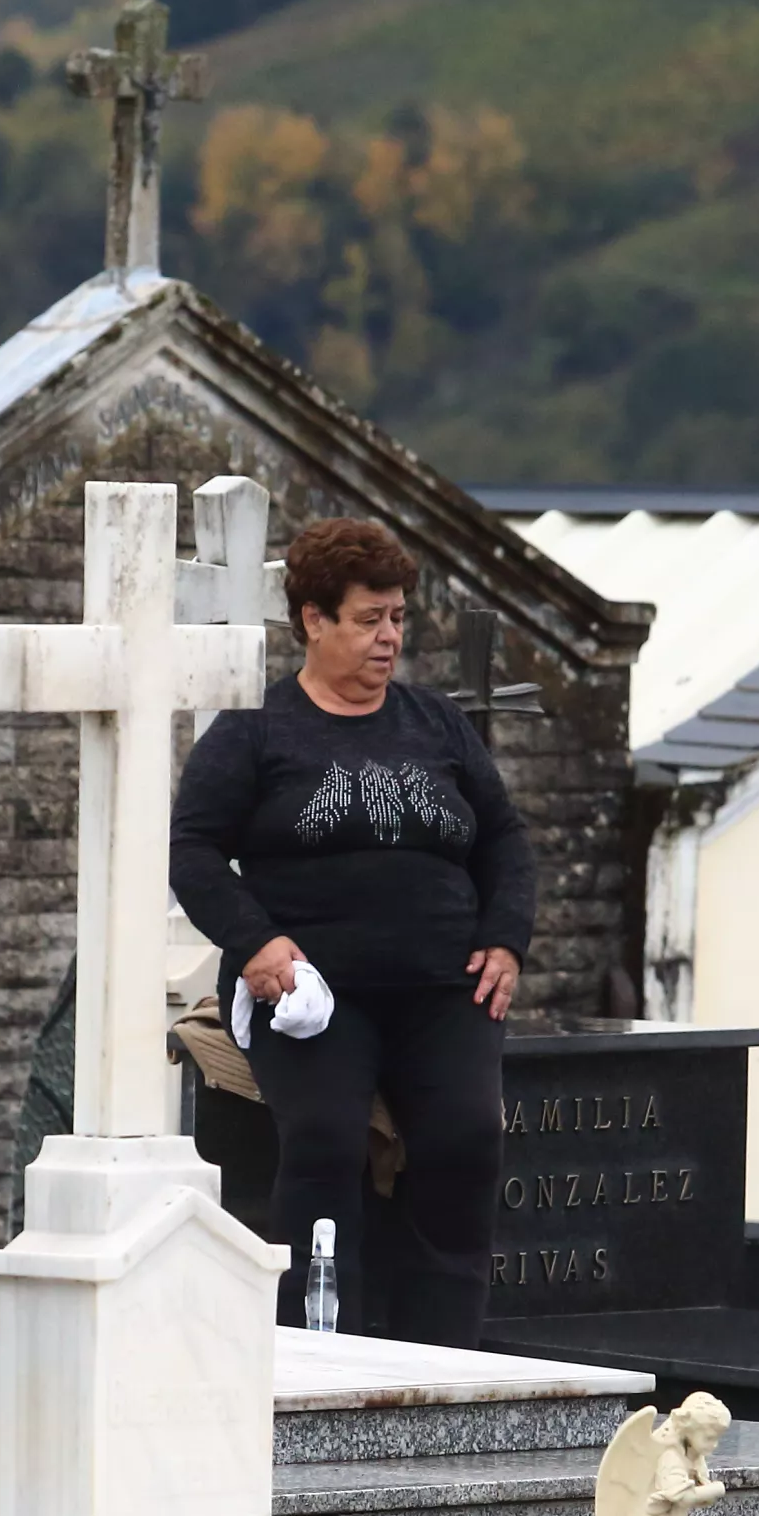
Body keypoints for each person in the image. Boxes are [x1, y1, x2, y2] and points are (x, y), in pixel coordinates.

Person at [169, 517, 532, 1344]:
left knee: (466, 1137)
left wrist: (507, 937)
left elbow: (505, 836)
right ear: (314, 620)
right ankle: (318, 1342)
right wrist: (254, 942)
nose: (389, 637)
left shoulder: (437, 723)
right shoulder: (257, 733)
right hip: (313, 992)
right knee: (327, 1138)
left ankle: (445, 1354)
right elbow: (191, 848)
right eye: (369, 619)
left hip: (442, 987)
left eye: (397, 617)